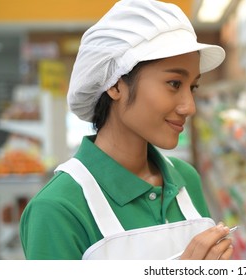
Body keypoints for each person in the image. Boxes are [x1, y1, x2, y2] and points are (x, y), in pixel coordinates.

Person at [19, 0, 233, 260]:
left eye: (193, 87)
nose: (190, 107)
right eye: (174, 83)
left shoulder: (185, 179)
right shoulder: (57, 209)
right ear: (116, 85)